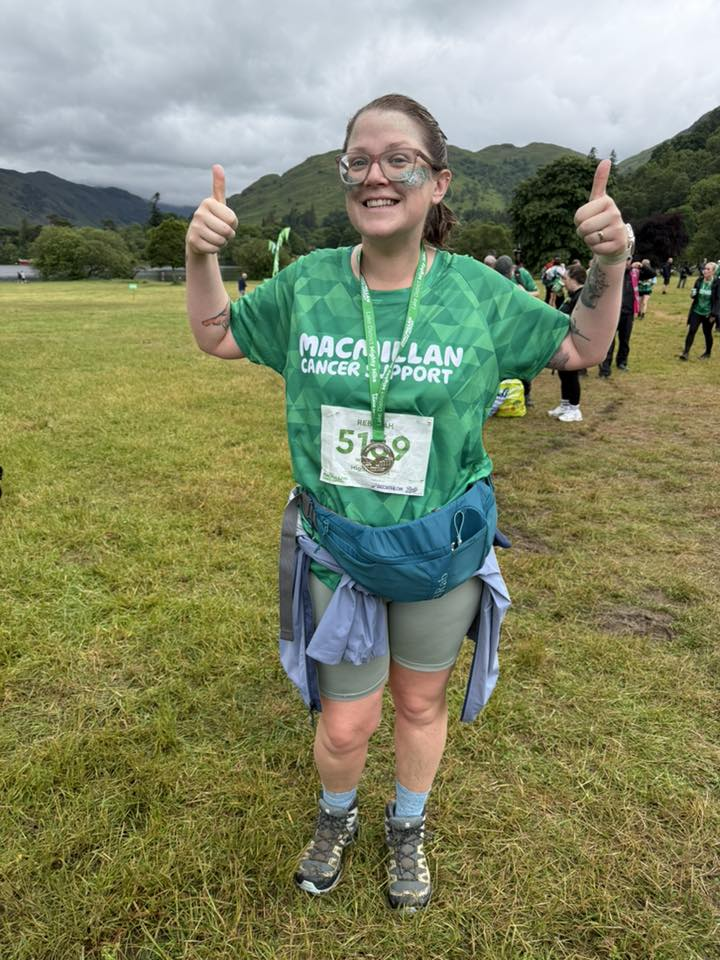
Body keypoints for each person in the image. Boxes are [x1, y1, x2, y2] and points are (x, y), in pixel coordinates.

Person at [184, 93, 631, 912]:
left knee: (420, 703)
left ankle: (408, 828)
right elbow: (215, 331)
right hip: (340, 550)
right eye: (357, 159)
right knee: (346, 724)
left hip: (439, 550)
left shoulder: (476, 293)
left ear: (437, 182)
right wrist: (200, 255)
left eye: (399, 159)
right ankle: (336, 816)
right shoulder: (311, 283)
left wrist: (609, 265)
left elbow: (583, 345)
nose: (375, 174)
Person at [548, 263, 587, 422]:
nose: (563, 281)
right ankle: (565, 404)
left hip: (574, 341)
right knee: (563, 372)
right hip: (565, 340)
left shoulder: (582, 297)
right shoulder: (572, 294)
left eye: (566, 278)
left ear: (574, 279)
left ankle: (575, 409)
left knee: (571, 374)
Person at [598, 256, 639, 376]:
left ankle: (622, 362)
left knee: (625, 340)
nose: (627, 262)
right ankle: (605, 368)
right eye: (625, 259)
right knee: (609, 341)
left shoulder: (634, 274)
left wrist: (641, 265)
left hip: (628, 313)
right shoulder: (613, 273)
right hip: (613, 312)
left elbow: (651, 273)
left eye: (629, 260)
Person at [678, 261, 719, 360]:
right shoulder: (699, 280)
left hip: (708, 313)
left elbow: (718, 299)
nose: (705, 271)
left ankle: (707, 353)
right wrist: (693, 295)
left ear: (713, 272)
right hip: (697, 310)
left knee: (707, 333)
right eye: (705, 268)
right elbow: (694, 294)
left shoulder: (717, 283)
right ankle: (686, 353)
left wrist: (713, 314)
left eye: (708, 269)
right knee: (692, 330)